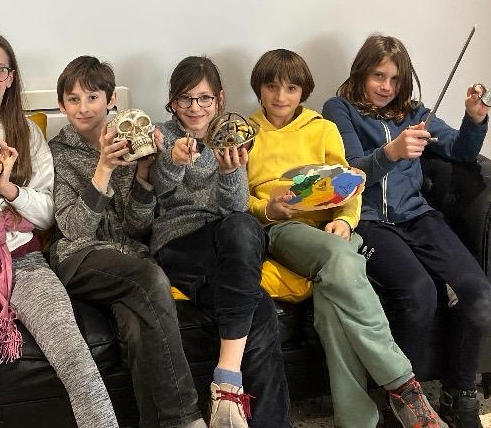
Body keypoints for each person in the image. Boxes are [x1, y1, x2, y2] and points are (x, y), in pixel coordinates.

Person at [0, 35, 119, 428]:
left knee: (73, 350)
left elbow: (47, 216)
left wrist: (7, 188)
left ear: (10, 77)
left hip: (24, 260)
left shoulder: (27, 133)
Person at [247, 49, 445, 428]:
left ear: (303, 91)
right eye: (272, 87)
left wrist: (344, 221)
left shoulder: (322, 128)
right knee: (341, 258)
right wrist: (267, 209)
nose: (280, 97)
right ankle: (403, 384)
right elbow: (238, 198)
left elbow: (350, 184)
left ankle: (356, 422)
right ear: (259, 89)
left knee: (332, 313)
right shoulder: (248, 134)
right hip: (284, 228)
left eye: (291, 88)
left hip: (330, 228)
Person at [323, 34, 491, 428]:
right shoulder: (339, 108)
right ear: (361, 73)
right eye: (378, 76)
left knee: (478, 292)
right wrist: (392, 152)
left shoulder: (415, 112)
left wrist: (474, 119)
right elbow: (350, 173)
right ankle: (400, 404)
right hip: (368, 221)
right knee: (418, 293)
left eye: (395, 79)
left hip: (418, 216)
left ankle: (459, 393)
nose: (387, 87)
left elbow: (460, 150)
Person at [50, 55, 206, 428]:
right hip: (80, 258)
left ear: (111, 100)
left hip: (128, 258)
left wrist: (145, 171)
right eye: (73, 99)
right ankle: (185, 418)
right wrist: (103, 168)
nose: (83, 108)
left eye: (92, 97)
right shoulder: (58, 153)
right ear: (62, 105)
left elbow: (137, 227)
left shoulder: (131, 138)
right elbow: (75, 229)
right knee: (150, 278)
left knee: (139, 328)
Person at [150, 56, 291, 428]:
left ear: (220, 99)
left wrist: (230, 172)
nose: (195, 108)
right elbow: (156, 193)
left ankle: (228, 391)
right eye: (184, 99)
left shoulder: (232, 134)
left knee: (243, 225)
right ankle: (229, 385)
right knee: (260, 309)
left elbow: (236, 206)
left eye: (204, 98)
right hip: (179, 241)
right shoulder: (161, 135)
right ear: (172, 101)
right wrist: (172, 162)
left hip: (226, 240)